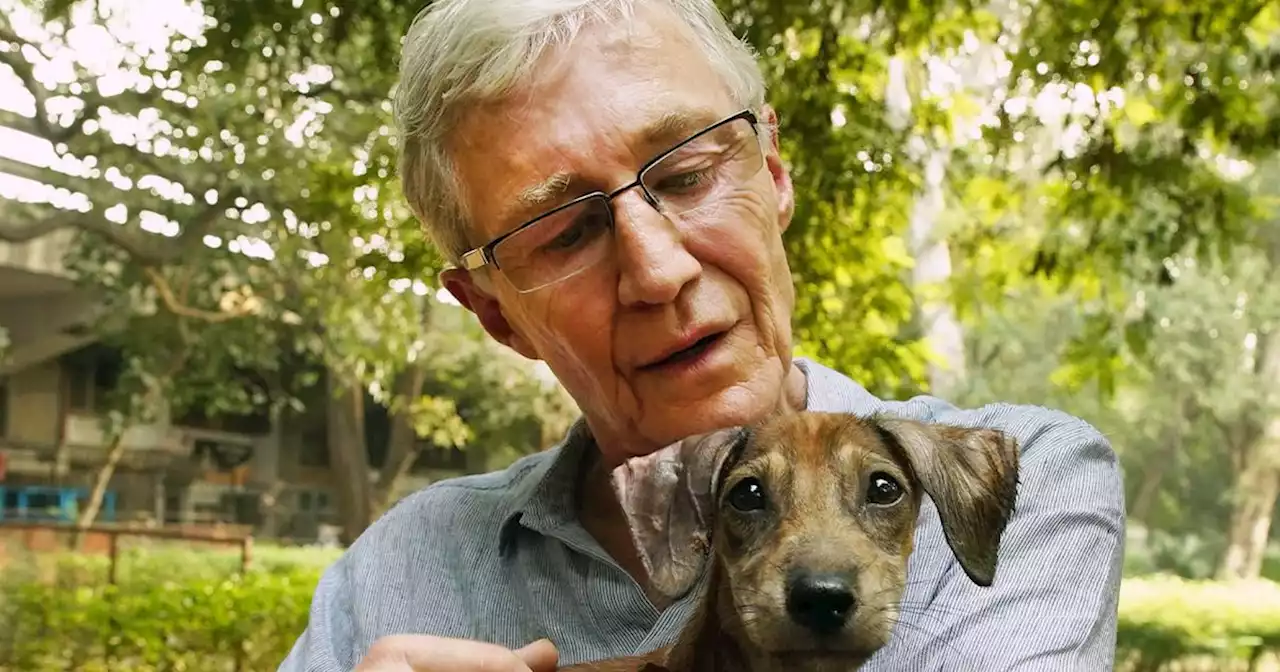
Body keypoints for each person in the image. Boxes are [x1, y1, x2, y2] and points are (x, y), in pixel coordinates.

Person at [279, 0, 1125, 670]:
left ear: (775, 176)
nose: (657, 271)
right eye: (566, 233)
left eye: (686, 174)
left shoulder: (1031, 478)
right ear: (496, 313)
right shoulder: (392, 576)